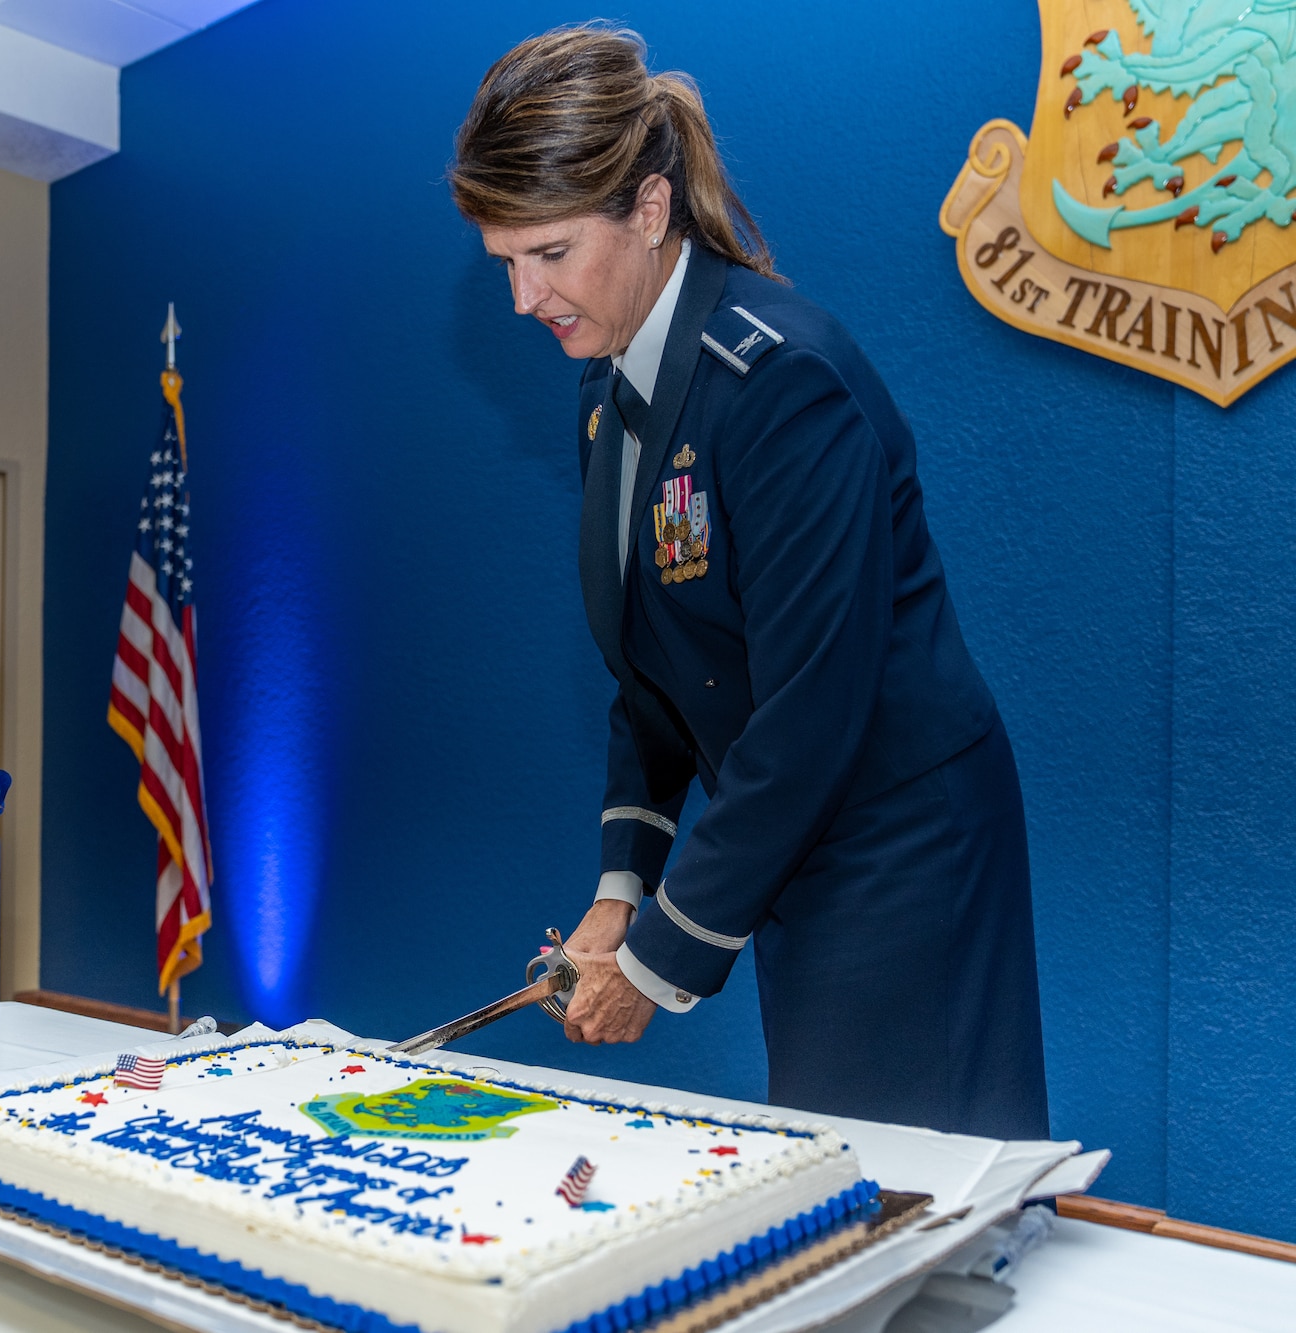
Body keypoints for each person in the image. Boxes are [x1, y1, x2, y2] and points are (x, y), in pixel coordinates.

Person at [449, 26, 1049, 1138]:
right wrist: (619, 887)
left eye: (549, 253)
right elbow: (653, 672)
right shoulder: (603, 394)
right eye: (505, 264)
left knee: (909, 1183)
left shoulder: (780, 380)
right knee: (833, 1155)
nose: (526, 297)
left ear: (646, 208)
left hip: (898, 837)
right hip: (792, 831)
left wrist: (659, 959)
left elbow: (810, 704)